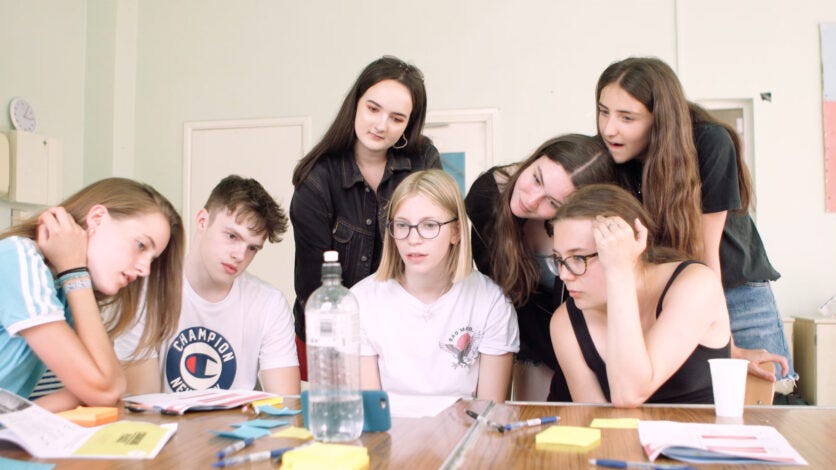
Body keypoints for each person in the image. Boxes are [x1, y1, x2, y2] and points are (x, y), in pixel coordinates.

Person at [595, 56, 795, 391]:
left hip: (732, 291)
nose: (609, 128)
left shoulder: (709, 143)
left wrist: (727, 345)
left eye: (626, 117)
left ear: (660, 120)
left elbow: (705, 253)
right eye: (603, 112)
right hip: (675, 294)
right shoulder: (616, 155)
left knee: (762, 403)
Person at [291, 56, 441, 377]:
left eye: (397, 118)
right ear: (355, 105)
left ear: (408, 125)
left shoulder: (422, 159)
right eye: (373, 109)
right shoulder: (318, 179)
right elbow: (312, 287)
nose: (381, 125)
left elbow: (436, 246)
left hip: (403, 335)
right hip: (329, 339)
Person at [0, 178, 183, 411]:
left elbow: (108, 386)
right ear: (97, 219)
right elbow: (105, 390)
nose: (145, 270)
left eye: (152, 259)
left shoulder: (66, 292)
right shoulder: (18, 258)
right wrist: (74, 271)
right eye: (140, 246)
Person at [116, 175, 300, 395]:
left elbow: (287, 404)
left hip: (238, 428)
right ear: (203, 220)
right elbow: (144, 406)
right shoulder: (146, 292)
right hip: (167, 427)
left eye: (252, 248)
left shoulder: (269, 303)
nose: (240, 254)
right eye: (232, 236)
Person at [550, 184, 731, 405]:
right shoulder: (565, 322)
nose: (564, 275)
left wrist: (620, 270)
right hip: (618, 439)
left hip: (699, 437)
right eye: (559, 259)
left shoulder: (696, 285)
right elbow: (595, 421)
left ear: (630, 249)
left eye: (578, 258)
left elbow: (630, 392)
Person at [464, 134, 614, 401]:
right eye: (536, 179)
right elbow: (498, 286)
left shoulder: (582, 232)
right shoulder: (486, 197)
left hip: (579, 342)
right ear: (534, 158)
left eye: (553, 203)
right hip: (527, 337)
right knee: (534, 424)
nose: (531, 200)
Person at [356, 170, 519, 402]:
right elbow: (371, 412)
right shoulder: (361, 301)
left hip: (464, 435)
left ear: (456, 231)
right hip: (390, 435)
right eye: (402, 225)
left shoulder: (491, 302)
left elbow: (489, 412)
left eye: (430, 225)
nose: (413, 239)